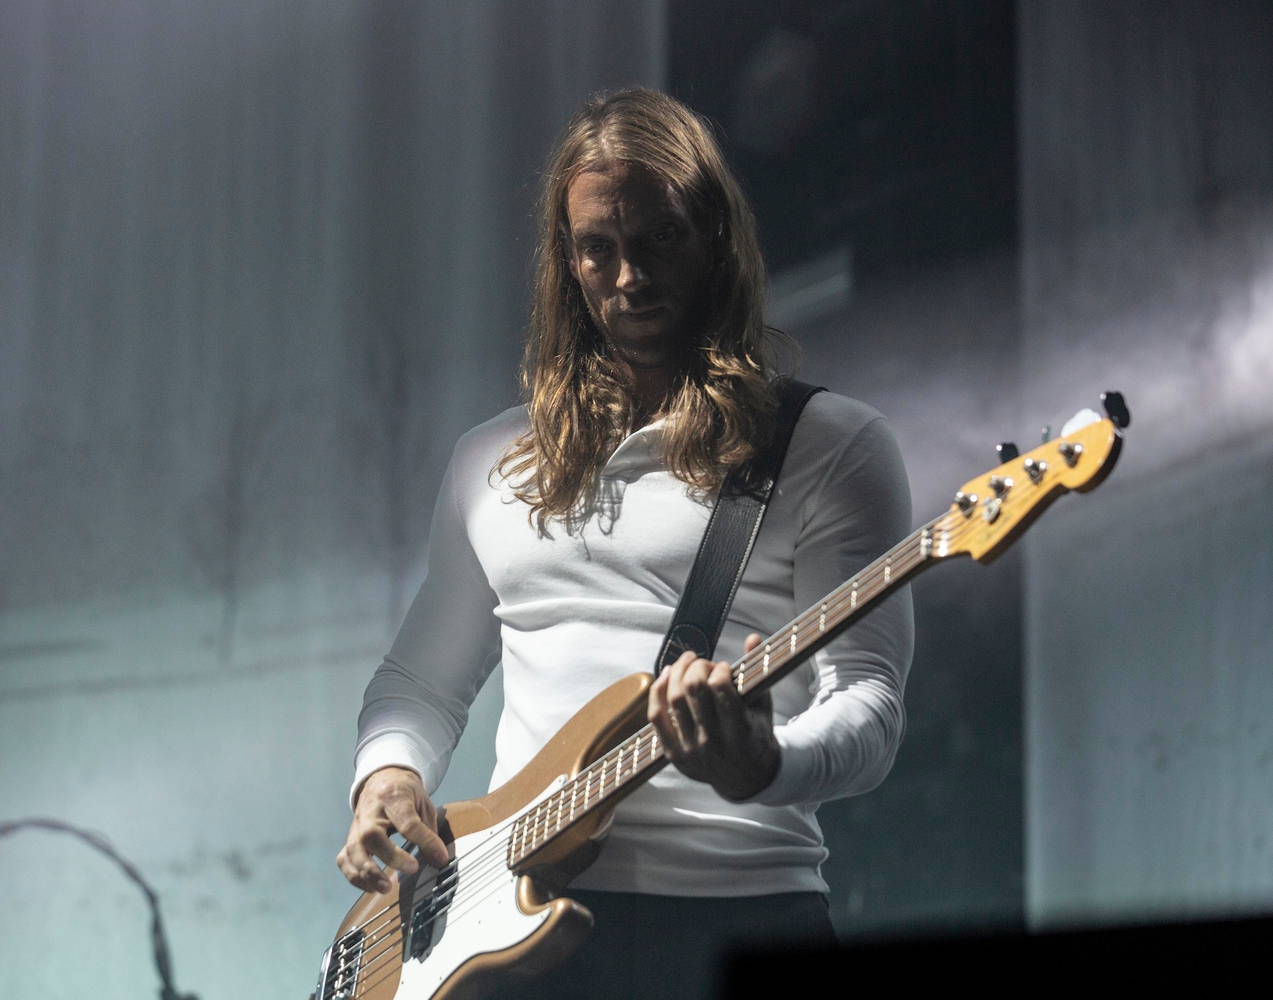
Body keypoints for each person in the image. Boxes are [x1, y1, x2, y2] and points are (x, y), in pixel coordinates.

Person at [336, 87, 914, 1000]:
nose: (629, 278)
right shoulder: (491, 459)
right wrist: (388, 779)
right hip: (511, 926)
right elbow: (419, 681)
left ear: (715, 238)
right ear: (566, 261)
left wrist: (766, 762)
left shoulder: (830, 444)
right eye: (598, 250)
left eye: (658, 242)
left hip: (740, 909)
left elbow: (871, 706)